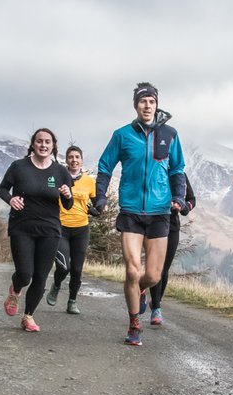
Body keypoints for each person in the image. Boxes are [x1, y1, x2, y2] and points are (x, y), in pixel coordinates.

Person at [95, 82, 187, 346]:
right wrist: (101, 196)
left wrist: (179, 197)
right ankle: (134, 324)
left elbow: (177, 169)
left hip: (160, 212)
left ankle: (143, 290)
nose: (147, 106)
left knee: (153, 276)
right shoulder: (122, 135)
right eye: (142, 101)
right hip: (131, 211)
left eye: (151, 101)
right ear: (136, 105)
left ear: (157, 104)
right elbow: (104, 166)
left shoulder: (170, 134)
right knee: (133, 272)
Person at [0, 128, 74, 332]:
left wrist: (67, 195)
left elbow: (68, 205)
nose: (43, 145)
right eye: (39, 141)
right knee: (25, 273)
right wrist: (10, 199)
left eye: (47, 142)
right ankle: (15, 289)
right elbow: (3, 189)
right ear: (33, 144)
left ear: (53, 145)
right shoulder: (19, 166)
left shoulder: (60, 171)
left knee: (41, 275)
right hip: (22, 227)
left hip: (49, 229)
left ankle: (28, 316)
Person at [46, 145, 98, 315]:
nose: (74, 160)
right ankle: (56, 285)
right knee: (63, 266)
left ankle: (72, 301)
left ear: (81, 160)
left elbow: (98, 202)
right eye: (70, 157)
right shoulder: (59, 177)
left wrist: (96, 209)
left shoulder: (90, 181)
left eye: (77, 157)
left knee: (77, 269)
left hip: (81, 229)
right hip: (60, 227)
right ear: (66, 160)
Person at [147, 174, 195, 325]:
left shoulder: (180, 175)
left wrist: (183, 207)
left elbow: (191, 199)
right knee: (156, 267)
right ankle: (156, 308)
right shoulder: (153, 170)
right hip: (152, 223)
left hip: (172, 226)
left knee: (164, 268)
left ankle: (156, 302)